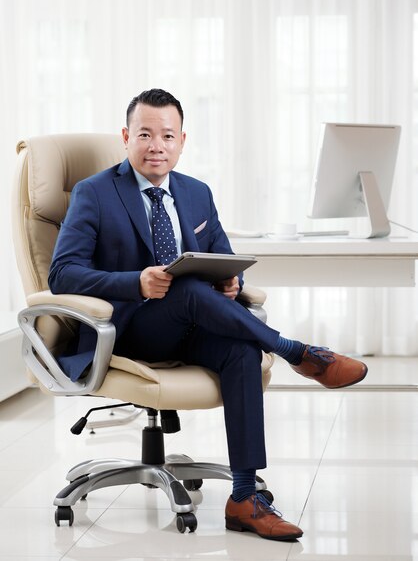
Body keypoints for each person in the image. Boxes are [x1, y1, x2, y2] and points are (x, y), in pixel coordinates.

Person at [48, 88, 368, 542]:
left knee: (239, 349)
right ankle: (297, 352)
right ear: (126, 137)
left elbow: (223, 258)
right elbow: (62, 273)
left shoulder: (197, 193)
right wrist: (134, 282)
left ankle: (244, 498)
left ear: (182, 141)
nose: (156, 144)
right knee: (190, 290)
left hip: (191, 323)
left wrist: (231, 284)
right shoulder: (94, 192)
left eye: (167, 135)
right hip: (126, 330)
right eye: (144, 134)